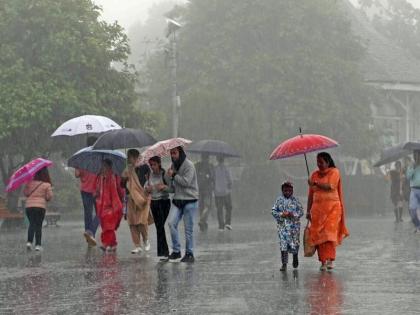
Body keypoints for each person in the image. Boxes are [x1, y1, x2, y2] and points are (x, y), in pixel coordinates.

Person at [307, 152, 349, 271]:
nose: (318, 164)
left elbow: (331, 186)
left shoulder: (334, 172)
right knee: (319, 236)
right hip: (317, 211)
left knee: (328, 235)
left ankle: (330, 260)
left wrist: (315, 183)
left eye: (321, 162)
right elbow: (311, 195)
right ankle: (323, 261)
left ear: (328, 161)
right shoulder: (314, 175)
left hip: (333, 210)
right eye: (317, 162)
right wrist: (308, 211)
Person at [167, 146, 199, 263]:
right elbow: (173, 187)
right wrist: (166, 183)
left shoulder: (189, 165)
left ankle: (189, 253)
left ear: (180, 152)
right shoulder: (173, 166)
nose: (173, 156)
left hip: (190, 200)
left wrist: (174, 175)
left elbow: (186, 182)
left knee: (188, 229)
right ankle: (176, 251)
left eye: (174, 153)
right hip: (178, 200)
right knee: (171, 223)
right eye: (171, 153)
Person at [122, 149, 151, 254]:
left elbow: (149, 181)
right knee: (132, 223)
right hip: (131, 198)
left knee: (141, 221)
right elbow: (122, 185)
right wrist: (124, 178)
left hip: (143, 198)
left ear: (135, 157)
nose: (128, 160)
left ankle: (146, 240)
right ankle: (137, 245)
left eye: (129, 157)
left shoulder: (145, 167)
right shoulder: (127, 170)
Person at [271, 181, 303, 271]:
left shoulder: (295, 200)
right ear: (282, 191)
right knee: (283, 245)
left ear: (292, 191)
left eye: (289, 190)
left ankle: (295, 256)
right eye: (285, 191)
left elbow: (301, 212)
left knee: (295, 243)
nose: (287, 192)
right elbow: (273, 211)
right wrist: (281, 214)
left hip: (294, 228)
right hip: (283, 227)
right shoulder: (279, 200)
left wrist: (293, 214)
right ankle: (284, 264)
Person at [95, 159, 124, 252]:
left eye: (104, 166)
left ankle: (106, 244)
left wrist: (123, 199)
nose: (103, 168)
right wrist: (96, 193)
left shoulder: (114, 177)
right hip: (102, 206)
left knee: (109, 226)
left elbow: (120, 189)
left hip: (112, 205)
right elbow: (98, 190)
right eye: (102, 166)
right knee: (105, 226)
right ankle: (113, 243)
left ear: (109, 167)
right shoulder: (100, 178)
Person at [75, 136, 99, 247]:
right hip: (97, 189)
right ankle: (91, 233)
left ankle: (88, 235)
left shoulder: (81, 157)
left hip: (84, 189)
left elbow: (76, 174)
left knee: (87, 213)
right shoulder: (99, 156)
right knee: (100, 213)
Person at [145, 156, 171, 258]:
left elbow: (171, 188)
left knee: (160, 226)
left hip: (164, 202)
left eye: (154, 164)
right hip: (154, 202)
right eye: (151, 165)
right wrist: (147, 188)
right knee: (159, 227)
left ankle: (164, 252)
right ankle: (163, 252)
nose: (152, 167)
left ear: (159, 164)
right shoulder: (149, 175)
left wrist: (164, 187)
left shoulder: (164, 174)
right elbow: (146, 187)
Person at [24, 167, 53, 251]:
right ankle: (38, 245)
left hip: (29, 207)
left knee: (32, 224)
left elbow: (26, 193)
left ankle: (29, 242)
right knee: (38, 225)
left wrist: (27, 186)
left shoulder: (29, 183)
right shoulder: (46, 185)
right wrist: (46, 198)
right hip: (40, 207)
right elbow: (49, 196)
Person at [195, 153, 214, 231]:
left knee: (201, 206)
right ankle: (202, 220)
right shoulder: (210, 166)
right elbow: (212, 177)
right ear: (208, 158)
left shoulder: (197, 165)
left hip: (199, 188)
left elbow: (194, 177)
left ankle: (203, 223)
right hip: (207, 189)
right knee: (208, 206)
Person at [214, 155, 233, 231]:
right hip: (226, 192)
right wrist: (230, 186)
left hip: (217, 192)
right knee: (228, 208)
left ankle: (221, 226)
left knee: (219, 209)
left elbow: (212, 179)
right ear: (223, 160)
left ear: (217, 159)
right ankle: (227, 223)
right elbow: (230, 180)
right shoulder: (226, 168)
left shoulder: (214, 169)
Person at [406, 151, 420, 232]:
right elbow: (408, 177)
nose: (417, 156)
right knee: (412, 211)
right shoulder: (412, 165)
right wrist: (413, 168)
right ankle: (418, 226)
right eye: (416, 155)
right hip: (414, 190)